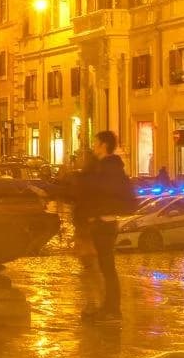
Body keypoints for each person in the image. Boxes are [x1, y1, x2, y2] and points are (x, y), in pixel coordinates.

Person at [54, 130, 136, 321]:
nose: (93, 147)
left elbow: (96, 190)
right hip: (103, 223)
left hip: (102, 224)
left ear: (104, 146)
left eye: (96, 143)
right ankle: (106, 308)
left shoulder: (107, 170)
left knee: (103, 268)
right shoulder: (109, 169)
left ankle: (109, 309)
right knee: (103, 268)